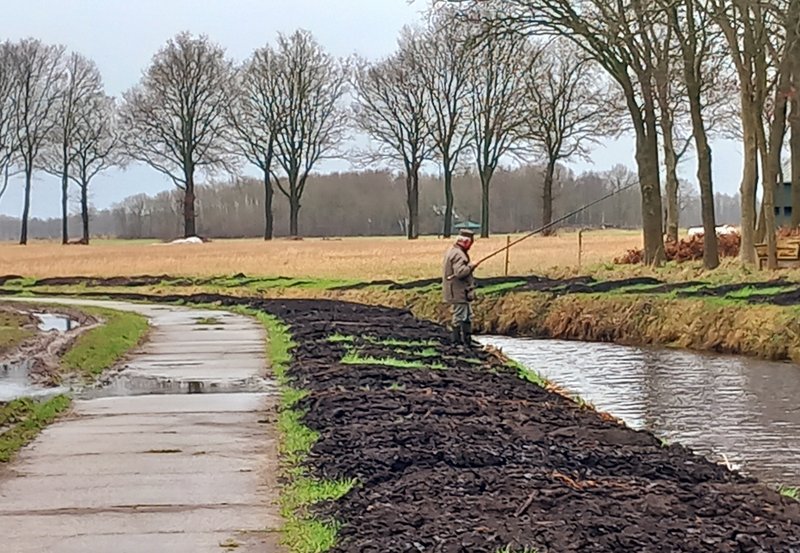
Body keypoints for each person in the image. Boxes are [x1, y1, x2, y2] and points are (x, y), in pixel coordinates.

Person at [442, 229, 480, 346]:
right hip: (458, 292)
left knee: (467, 316)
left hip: (457, 291)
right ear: (465, 242)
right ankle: (457, 342)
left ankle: (467, 342)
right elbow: (460, 273)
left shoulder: (453, 251)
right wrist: (471, 266)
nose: (471, 246)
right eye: (470, 243)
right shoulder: (459, 254)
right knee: (459, 316)